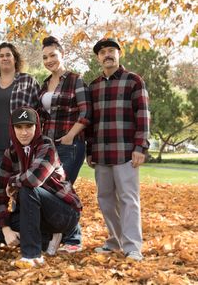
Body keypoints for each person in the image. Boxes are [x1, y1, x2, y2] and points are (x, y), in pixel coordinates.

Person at [0, 107, 82, 268]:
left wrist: (12, 182)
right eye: (19, 127)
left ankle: (32, 255)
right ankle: (47, 238)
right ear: (12, 129)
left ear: (37, 127)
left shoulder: (46, 145)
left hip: (64, 212)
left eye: (29, 126)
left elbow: (33, 179)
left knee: (28, 190)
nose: (24, 132)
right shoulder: (10, 153)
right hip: (36, 214)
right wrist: (6, 229)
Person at [87, 38, 150, 262]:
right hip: (101, 153)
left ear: (119, 53)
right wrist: (89, 150)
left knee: (128, 199)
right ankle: (115, 240)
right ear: (98, 58)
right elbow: (90, 122)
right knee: (105, 199)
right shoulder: (93, 86)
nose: (107, 55)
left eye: (111, 50)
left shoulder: (133, 81)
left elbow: (143, 115)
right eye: (103, 52)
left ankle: (133, 246)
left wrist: (140, 146)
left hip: (125, 152)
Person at [39, 35, 92, 253]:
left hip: (70, 145)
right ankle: (56, 234)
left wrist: (70, 135)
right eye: (45, 57)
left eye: (53, 55)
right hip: (48, 146)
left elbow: (86, 111)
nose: (49, 60)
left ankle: (73, 239)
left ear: (62, 54)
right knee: (50, 190)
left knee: (63, 188)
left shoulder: (75, 79)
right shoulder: (44, 83)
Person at [0, 42, 41, 180]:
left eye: (8, 55)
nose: (4, 58)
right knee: (0, 189)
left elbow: (39, 113)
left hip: (21, 147)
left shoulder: (28, 81)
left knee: (21, 188)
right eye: (1, 56)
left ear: (15, 58)